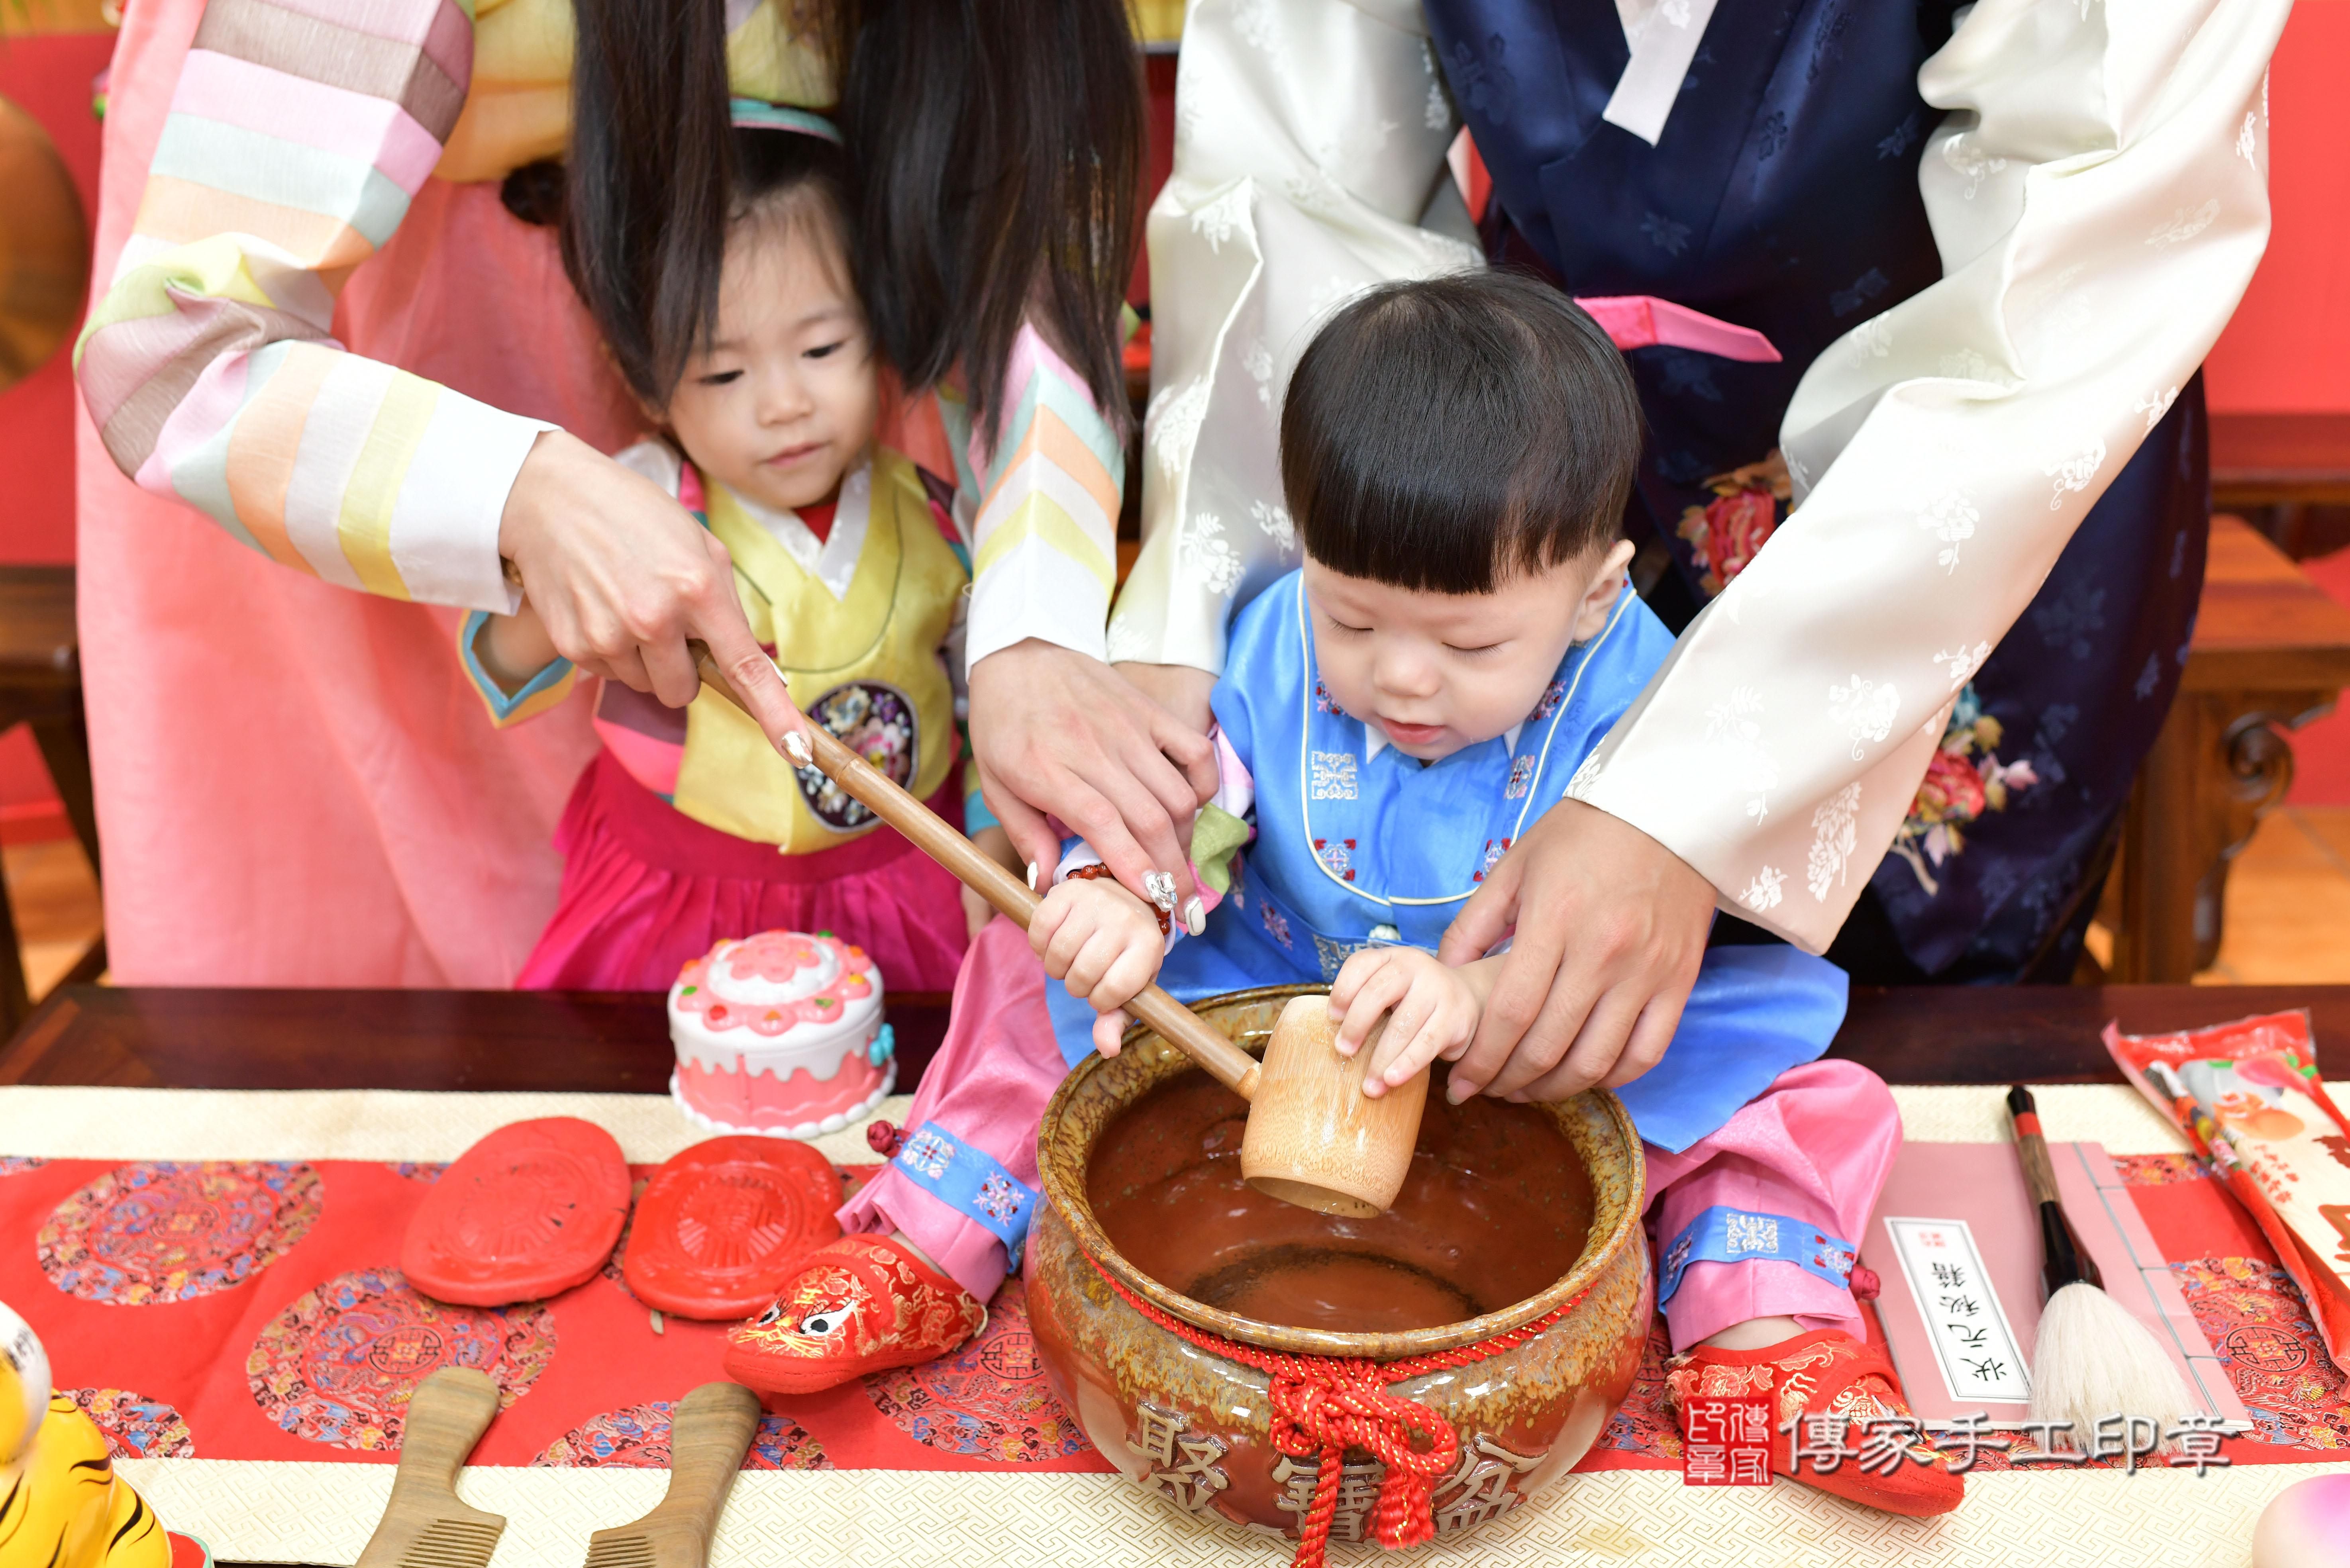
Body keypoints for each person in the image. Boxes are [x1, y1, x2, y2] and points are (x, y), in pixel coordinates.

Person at [725, 275, 1962, 1519]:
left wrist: (1475, 994)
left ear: (1592, 594)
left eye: (1470, 646)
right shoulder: (1268, 644)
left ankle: (1763, 1334)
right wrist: (1124, 899)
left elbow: (1643, 907)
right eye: (1353, 619)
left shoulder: (1645, 689)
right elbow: (1194, 808)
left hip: (1525, 1031)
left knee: (1766, 1102)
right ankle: (921, 1245)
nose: (1403, 679)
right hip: (1268, 982)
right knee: (1020, 990)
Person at [1108, 0, 2289, 1100]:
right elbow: (1297, 190)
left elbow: (2085, 254)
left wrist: (1685, 800)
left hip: (1963, 501)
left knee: (1905, 1053)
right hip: (1536, 487)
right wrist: (1206, 607)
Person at [70, 0, 1165, 986]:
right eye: (739, 380)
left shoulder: (911, 494)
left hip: (786, 250)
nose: (780, 407)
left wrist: (1032, 623)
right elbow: (171, 348)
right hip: (386, 373)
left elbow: (1041, 284)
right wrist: (518, 490)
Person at [461, 103, 1012, 990]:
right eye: (725, 372)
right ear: (644, 378)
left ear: (881, 329)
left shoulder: (946, 514)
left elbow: (984, 690)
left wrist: (987, 826)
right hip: (682, 894)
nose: (784, 403)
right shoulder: (634, 498)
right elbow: (493, 661)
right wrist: (553, 593)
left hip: (907, 879)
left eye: (823, 347)